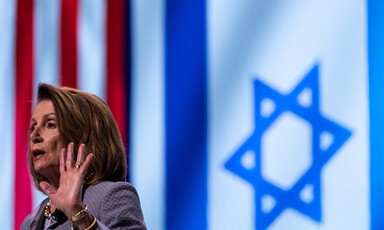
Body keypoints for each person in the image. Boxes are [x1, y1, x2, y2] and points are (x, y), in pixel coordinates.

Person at [21, 83, 146, 230]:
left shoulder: (114, 196)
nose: (34, 135)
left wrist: (79, 215)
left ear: (82, 138)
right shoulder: (30, 222)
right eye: (33, 127)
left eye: (50, 125)